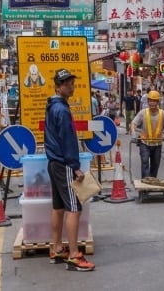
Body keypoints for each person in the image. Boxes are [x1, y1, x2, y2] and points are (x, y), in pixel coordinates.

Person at [44, 69, 95, 271]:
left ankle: (57, 248)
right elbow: (67, 141)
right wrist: (75, 167)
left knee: (58, 206)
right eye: (66, 83)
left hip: (54, 163)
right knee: (74, 207)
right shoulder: (62, 110)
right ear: (57, 86)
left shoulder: (53, 106)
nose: (71, 86)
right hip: (64, 164)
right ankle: (74, 255)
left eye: (72, 83)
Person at [132, 90, 164, 181]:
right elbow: (133, 123)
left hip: (157, 144)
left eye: (154, 101)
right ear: (148, 101)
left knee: (155, 164)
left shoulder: (163, 113)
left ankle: (152, 180)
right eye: (151, 100)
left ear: (157, 102)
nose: (152, 103)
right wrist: (134, 133)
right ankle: (146, 182)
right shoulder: (143, 113)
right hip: (144, 143)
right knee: (145, 162)